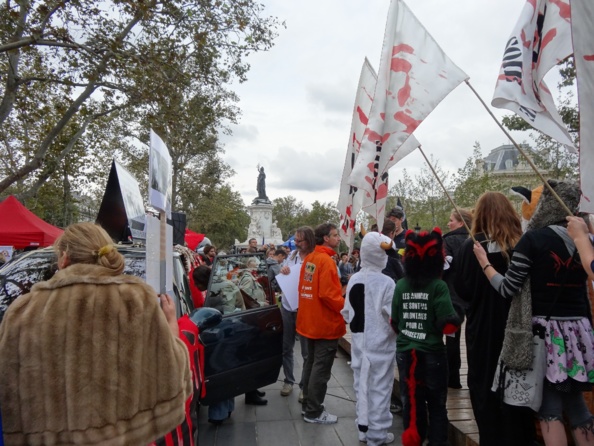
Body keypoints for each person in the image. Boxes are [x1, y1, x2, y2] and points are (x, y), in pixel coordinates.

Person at [0, 222, 192, 445]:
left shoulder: (23, 311)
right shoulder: (136, 301)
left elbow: (8, 389)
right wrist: (172, 329)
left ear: (64, 258)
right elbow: (173, 376)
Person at [474, 181, 594, 446]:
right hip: (580, 334)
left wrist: (484, 263)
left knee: (549, 409)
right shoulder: (585, 240)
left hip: (546, 336)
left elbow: (507, 289)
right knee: (577, 406)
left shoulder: (534, 240)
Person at [454, 191, 535, 446]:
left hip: (482, 326)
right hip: (517, 324)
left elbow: (462, 289)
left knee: (484, 382)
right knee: (517, 382)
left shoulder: (471, 247)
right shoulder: (521, 242)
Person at [391, 228, 461, 446]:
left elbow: (394, 322)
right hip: (432, 354)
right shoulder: (439, 287)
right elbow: (448, 324)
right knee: (437, 405)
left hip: (406, 353)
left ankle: (415, 439)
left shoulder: (401, 285)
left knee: (412, 403)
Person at [342, 231, 397, 445]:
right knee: (380, 390)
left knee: (361, 387)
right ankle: (377, 434)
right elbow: (393, 316)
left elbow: (347, 312)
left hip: (359, 344)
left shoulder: (354, 278)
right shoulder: (387, 283)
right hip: (380, 346)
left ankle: (363, 429)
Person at [297, 223, 346, 424]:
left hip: (309, 322)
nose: (338, 238)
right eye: (335, 235)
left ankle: (309, 403)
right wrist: (346, 306)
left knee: (310, 364)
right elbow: (328, 294)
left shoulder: (310, 258)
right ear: (326, 238)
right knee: (321, 368)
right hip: (324, 324)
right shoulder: (325, 261)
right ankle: (314, 412)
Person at [277, 227, 314, 400]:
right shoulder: (291, 257)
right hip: (287, 306)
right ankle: (288, 381)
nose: (297, 244)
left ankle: (304, 386)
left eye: (300, 241)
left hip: (306, 309)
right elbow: (282, 275)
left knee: (307, 352)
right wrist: (283, 271)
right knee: (286, 347)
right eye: (296, 241)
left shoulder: (316, 259)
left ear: (310, 240)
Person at [442, 208, 472, 389]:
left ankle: (453, 378)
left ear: (460, 223)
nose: (448, 223)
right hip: (474, 295)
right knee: (473, 339)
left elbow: (443, 267)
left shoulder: (447, 241)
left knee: (452, 339)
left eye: (451, 220)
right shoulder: (476, 239)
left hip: (453, 295)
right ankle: (474, 380)